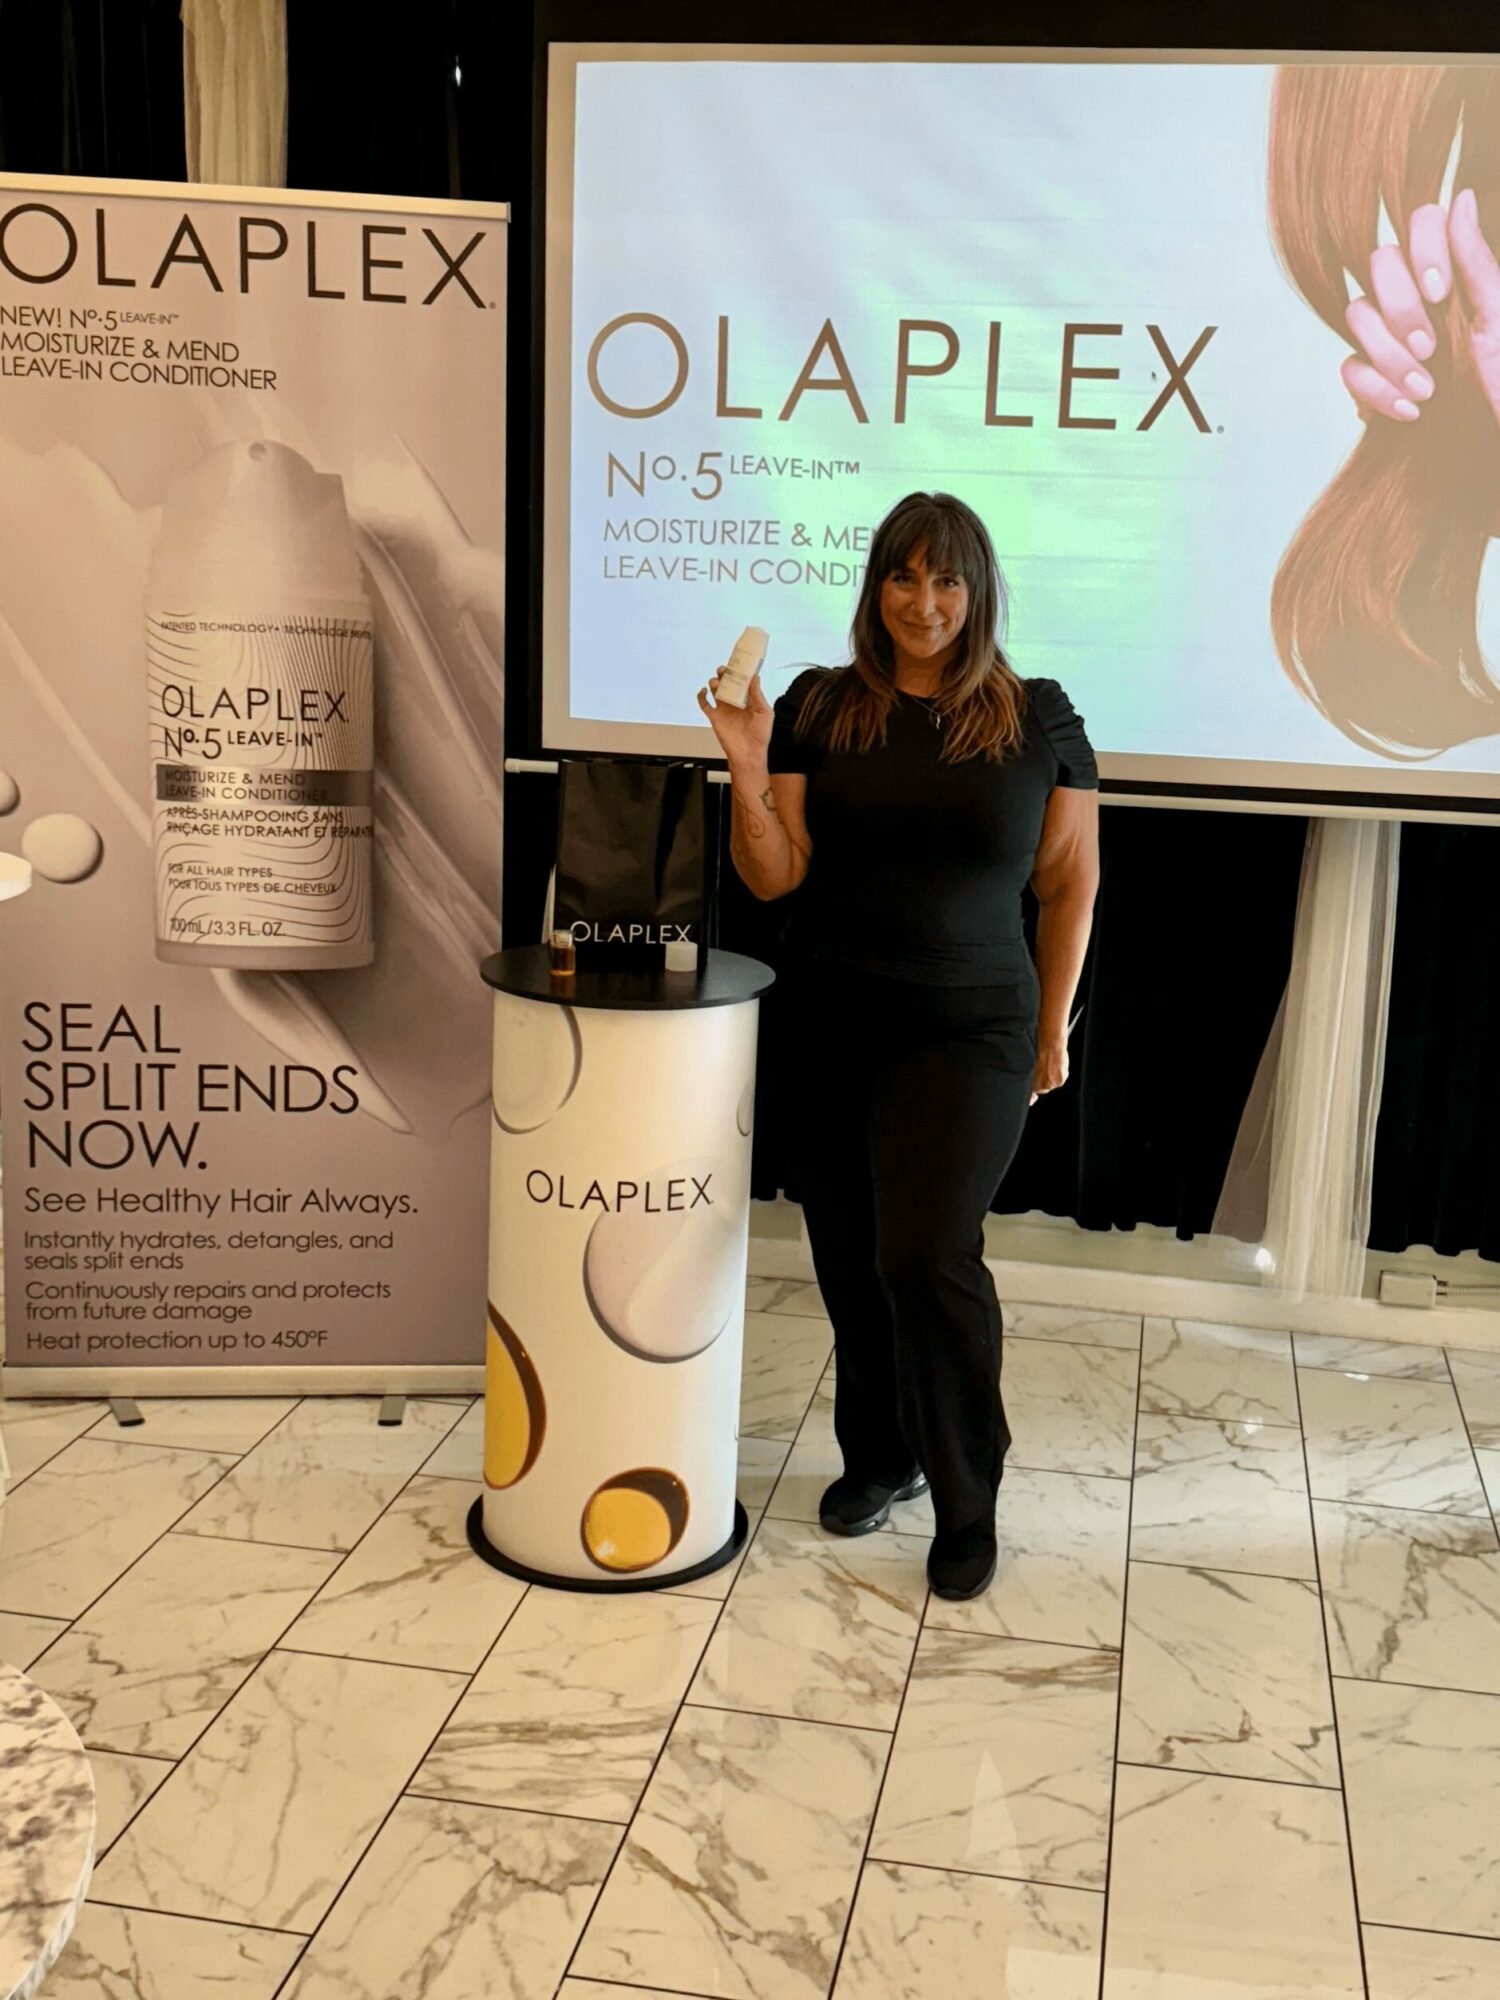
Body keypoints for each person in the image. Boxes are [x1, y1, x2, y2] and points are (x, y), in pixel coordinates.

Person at [699, 491, 1100, 1600]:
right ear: (876, 585)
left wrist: (1054, 1024)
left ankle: (968, 1495)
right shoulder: (820, 705)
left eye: (947, 579)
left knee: (925, 1254)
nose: (925, 602)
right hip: (832, 1015)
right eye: (904, 577)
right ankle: (881, 1454)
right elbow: (775, 875)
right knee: (850, 1255)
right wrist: (745, 765)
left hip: (972, 1025)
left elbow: (1070, 881)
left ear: (978, 591)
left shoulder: (1038, 716)